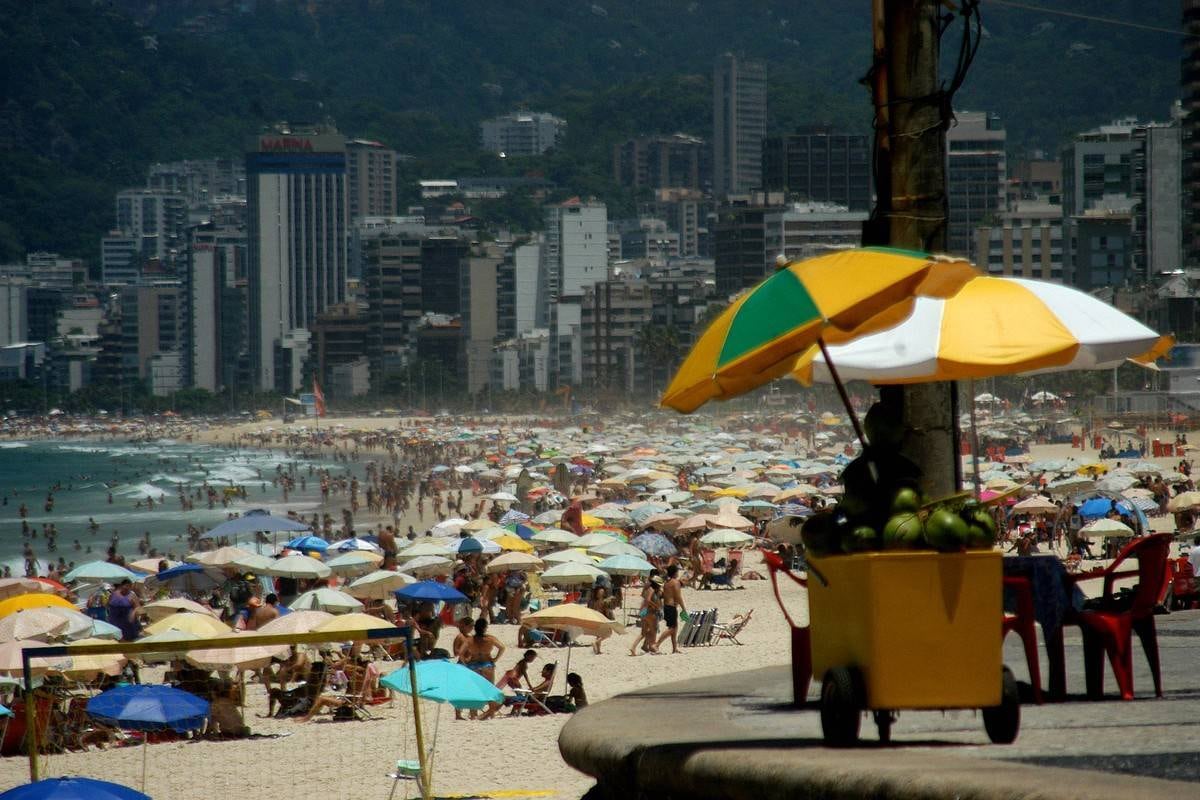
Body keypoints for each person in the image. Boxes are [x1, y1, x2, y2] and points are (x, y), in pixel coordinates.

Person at [456, 618, 505, 683]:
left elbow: (460, 653)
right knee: (489, 687)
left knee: (475, 688)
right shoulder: (490, 639)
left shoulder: (469, 640)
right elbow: (502, 647)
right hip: (487, 665)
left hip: (473, 666)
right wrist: (495, 659)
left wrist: (465, 662)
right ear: (484, 628)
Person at [654, 564, 688, 654]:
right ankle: (656, 644)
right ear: (675, 573)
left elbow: (664, 595)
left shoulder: (666, 583)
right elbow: (678, 597)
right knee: (672, 628)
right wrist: (683, 608)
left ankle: (674, 648)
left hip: (666, 606)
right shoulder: (675, 582)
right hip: (671, 607)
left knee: (674, 628)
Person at [628, 575, 662, 656]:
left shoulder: (648, 589)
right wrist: (656, 606)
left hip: (644, 611)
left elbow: (644, 598)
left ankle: (633, 647)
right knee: (653, 630)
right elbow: (648, 600)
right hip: (650, 611)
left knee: (643, 633)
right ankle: (653, 647)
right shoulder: (652, 589)